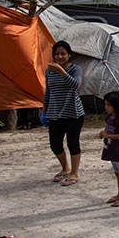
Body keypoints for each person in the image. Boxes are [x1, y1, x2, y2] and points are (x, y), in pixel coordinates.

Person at [43, 40, 85, 186]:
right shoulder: (49, 71)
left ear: (69, 55)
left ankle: (74, 172)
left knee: (72, 143)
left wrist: (61, 71)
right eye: (57, 54)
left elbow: (75, 85)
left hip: (73, 112)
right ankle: (65, 168)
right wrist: (44, 109)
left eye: (63, 54)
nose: (60, 57)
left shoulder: (75, 69)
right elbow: (48, 90)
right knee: (55, 144)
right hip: (55, 113)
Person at [99, 91, 119, 207]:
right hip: (111, 150)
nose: (106, 107)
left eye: (109, 105)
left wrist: (109, 136)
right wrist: (104, 133)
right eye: (105, 104)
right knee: (117, 173)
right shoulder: (109, 118)